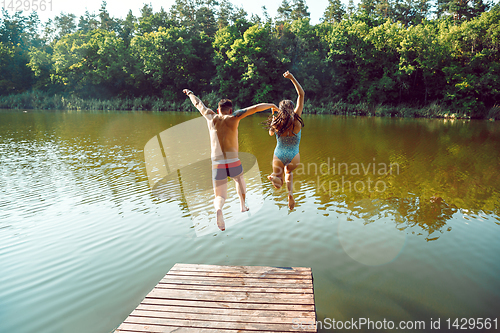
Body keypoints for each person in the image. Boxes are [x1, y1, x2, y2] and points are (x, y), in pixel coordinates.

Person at [183, 89, 278, 231]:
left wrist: (190, 93)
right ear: (230, 110)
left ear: (217, 109)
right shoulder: (235, 117)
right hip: (233, 161)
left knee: (220, 195)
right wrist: (271, 105)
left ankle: (219, 210)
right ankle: (242, 206)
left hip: (217, 163)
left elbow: (198, 104)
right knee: (239, 179)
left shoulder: (210, 116)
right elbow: (256, 108)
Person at [264, 71, 305, 210]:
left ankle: (274, 177)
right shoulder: (296, 120)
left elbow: (270, 133)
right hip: (294, 155)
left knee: (279, 181)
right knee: (289, 172)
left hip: (279, 154)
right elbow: (301, 94)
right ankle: (290, 194)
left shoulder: (276, 122)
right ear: (293, 108)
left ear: (280, 110)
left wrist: (274, 119)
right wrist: (292, 77)